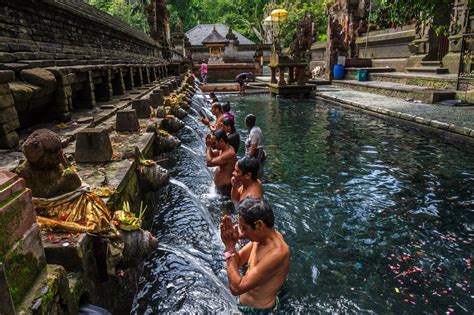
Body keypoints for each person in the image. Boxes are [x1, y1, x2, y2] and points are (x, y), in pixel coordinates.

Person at [220, 198, 290, 313]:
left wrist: (229, 247)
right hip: (245, 304)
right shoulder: (260, 238)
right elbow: (238, 261)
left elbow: (236, 288)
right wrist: (232, 241)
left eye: (244, 228)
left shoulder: (277, 253)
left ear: (259, 225)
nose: (241, 232)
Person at [206, 130, 237, 197]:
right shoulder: (223, 150)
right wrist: (208, 145)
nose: (213, 145)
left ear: (221, 141)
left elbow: (209, 163)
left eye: (214, 143)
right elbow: (211, 154)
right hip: (221, 188)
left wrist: (208, 147)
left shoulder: (229, 153)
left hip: (225, 189)